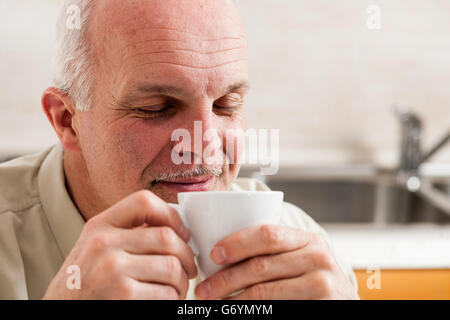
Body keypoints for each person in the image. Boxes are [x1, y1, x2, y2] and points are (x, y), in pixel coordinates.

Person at [0, 0, 359, 300]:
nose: (204, 147)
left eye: (226, 104)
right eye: (157, 107)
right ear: (67, 120)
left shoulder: (298, 253)